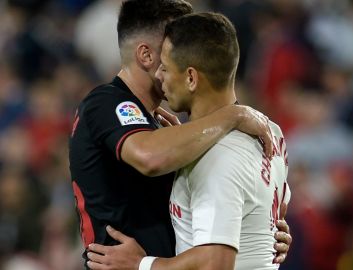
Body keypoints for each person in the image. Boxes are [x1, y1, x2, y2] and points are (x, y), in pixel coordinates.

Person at [68, 0, 291, 269]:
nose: (186, 53)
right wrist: (233, 115)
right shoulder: (106, 103)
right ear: (147, 56)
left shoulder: (168, 127)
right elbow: (149, 157)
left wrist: (259, 234)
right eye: (172, 50)